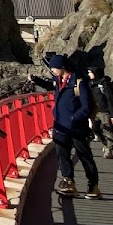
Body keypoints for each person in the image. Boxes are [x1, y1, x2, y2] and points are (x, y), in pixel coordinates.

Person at [31, 53, 100, 198]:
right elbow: (51, 86)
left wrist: (74, 118)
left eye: (54, 68)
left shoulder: (78, 83)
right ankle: (69, 182)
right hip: (60, 126)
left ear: (62, 67)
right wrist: (36, 80)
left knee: (84, 155)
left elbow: (86, 107)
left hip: (76, 127)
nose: (53, 70)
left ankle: (93, 184)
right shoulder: (59, 80)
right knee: (62, 155)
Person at [87, 67, 113, 158]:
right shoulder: (90, 84)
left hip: (105, 111)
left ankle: (109, 150)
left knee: (107, 130)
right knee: (95, 129)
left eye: (90, 72)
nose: (89, 74)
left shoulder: (104, 84)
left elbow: (110, 98)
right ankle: (105, 143)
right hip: (94, 111)